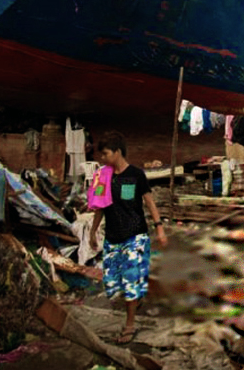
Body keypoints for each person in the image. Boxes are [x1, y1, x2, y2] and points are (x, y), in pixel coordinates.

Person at [89, 131, 167, 343]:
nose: (102, 159)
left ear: (117, 152)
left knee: (131, 282)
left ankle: (130, 324)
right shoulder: (103, 176)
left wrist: (159, 227)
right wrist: (93, 231)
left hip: (135, 236)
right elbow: (99, 207)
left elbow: (149, 202)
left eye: (105, 154)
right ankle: (139, 292)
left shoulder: (136, 175)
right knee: (114, 283)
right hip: (113, 237)